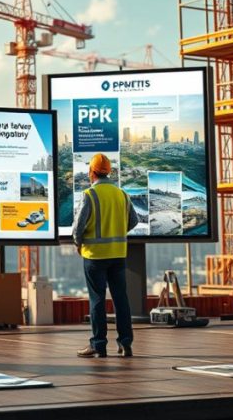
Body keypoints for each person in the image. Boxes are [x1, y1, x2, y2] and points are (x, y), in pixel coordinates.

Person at [71, 153, 140, 358]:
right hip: (118, 254)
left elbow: (78, 228)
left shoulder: (89, 195)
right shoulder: (122, 194)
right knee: (121, 299)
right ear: (109, 171)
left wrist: (78, 243)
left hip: (94, 256)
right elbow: (134, 221)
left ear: (91, 172)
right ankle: (125, 343)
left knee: (97, 300)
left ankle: (99, 345)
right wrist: (117, 232)